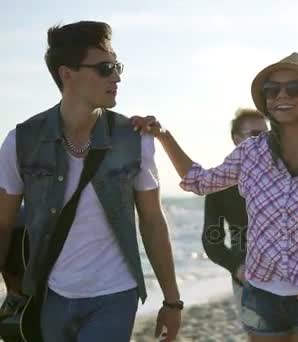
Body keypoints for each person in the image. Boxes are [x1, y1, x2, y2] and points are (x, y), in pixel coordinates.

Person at [132, 52, 298, 342]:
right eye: (272, 90)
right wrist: (164, 136)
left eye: (293, 88)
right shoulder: (250, 153)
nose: (281, 95)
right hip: (260, 295)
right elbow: (199, 181)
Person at [0, 21, 181, 341]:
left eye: (117, 66)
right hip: (49, 294)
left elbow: (152, 221)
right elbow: (3, 223)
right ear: (66, 73)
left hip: (116, 294)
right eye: (105, 68)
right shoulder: (21, 141)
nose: (117, 77)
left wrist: (172, 301)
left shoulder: (134, 139)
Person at [202, 107, 268, 312]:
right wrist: (237, 268)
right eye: (255, 135)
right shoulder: (220, 183)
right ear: (236, 139)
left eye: (268, 134)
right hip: (249, 280)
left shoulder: (289, 174)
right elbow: (211, 240)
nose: (264, 140)